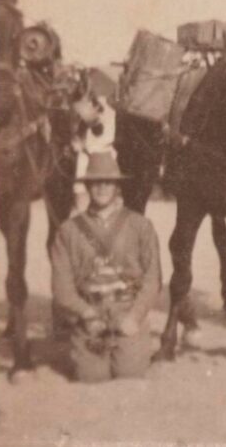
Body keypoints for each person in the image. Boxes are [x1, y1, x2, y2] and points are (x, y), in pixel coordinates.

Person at [50, 151, 162, 382]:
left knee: (129, 373)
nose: (101, 187)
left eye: (108, 181)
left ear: (117, 186)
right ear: (88, 187)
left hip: (127, 310)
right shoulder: (68, 231)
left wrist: (135, 316)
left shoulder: (140, 226)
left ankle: (135, 343)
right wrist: (87, 314)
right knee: (91, 376)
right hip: (91, 314)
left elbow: (153, 279)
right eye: (95, 182)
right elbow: (62, 288)